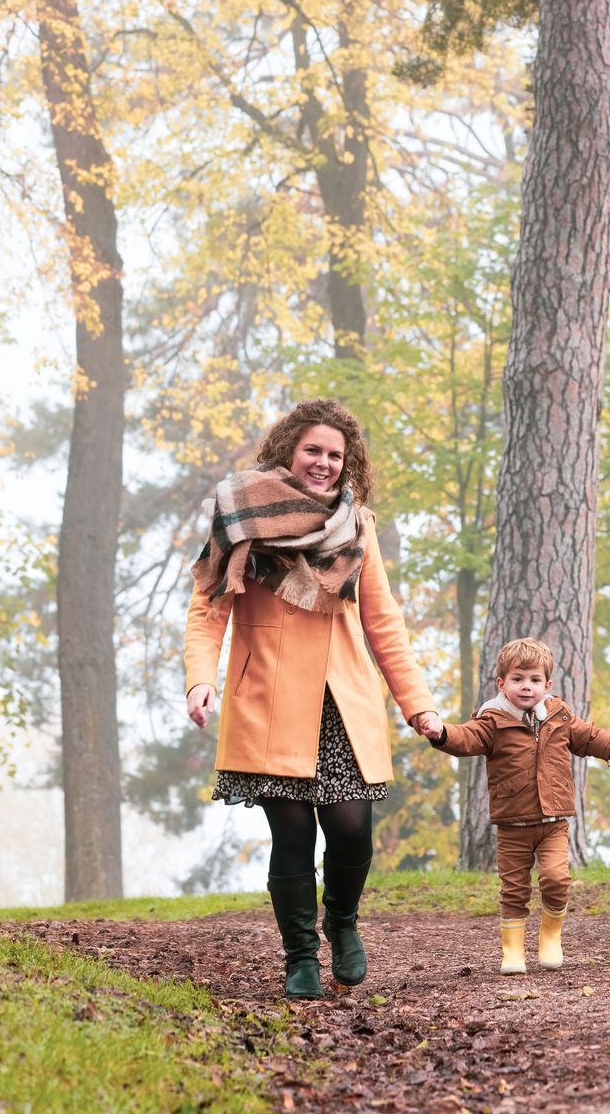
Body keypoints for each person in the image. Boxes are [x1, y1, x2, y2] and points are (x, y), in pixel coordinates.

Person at [183, 398, 445, 1001]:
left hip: (343, 699)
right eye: (313, 451)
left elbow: (384, 622)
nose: (323, 463)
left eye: (335, 455)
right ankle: (300, 954)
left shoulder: (359, 525)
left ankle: (343, 921)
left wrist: (417, 703)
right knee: (294, 837)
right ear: (288, 451)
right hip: (267, 698)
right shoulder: (240, 512)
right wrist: (200, 680)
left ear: (347, 463)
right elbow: (208, 607)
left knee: (352, 829)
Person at [428, 637, 610, 975]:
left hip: (554, 821)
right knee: (514, 888)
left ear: (547, 684)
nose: (527, 687)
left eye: (535, 680)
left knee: (556, 878)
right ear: (502, 683)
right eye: (518, 679)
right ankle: (512, 950)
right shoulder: (491, 720)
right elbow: (465, 738)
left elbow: (589, 735)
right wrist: (440, 733)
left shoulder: (558, 715)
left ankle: (551, 935)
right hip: (513, 824)